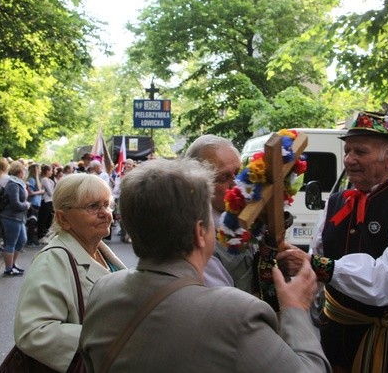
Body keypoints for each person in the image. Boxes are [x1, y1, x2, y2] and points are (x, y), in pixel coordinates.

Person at [78, 158, 330, 373]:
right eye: (211, 219)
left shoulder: (102, 290)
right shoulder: (236, 313)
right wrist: (296, 309)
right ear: (201, 232)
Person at [277, 111, 388, 373]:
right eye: (347, 150)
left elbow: (387, 282)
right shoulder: (336, 201)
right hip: (337, 338)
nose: (349, 159)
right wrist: (294, 265)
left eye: (360, 152)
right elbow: (319, 260)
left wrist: (316, 265)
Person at [14, 173, 125, 372]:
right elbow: (32, 332)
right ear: (63, 218)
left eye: (108, 205)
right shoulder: (53, 259)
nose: (106, 213)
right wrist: (108, 339)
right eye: (93, 206)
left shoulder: (97, 249)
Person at [185, 135, 251, 291]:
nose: (237, 183)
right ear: (199, 184)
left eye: (239, 172)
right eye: (224, 177)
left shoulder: (245, 215)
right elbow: (228, 307)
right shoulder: (201, 240)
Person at [0, 161, 31, 276]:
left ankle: (12, 263)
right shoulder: (13, 184)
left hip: (18, 217)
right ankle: (8, 268)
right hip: (10, 216)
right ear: (20, 172)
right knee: (11, 242)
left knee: (22, 240)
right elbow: (15, 204)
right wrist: (26, 205)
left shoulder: (18, 183)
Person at [25, 163, 44, 247]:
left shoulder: (37, 180)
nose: (40, 171)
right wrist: (41, 191)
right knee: (32, 222)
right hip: (33, 203)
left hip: (37, 203)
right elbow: (30, 192)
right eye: (39, 169)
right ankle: (30, 240)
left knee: (34, 221)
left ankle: (31, 239)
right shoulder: (32, 180)